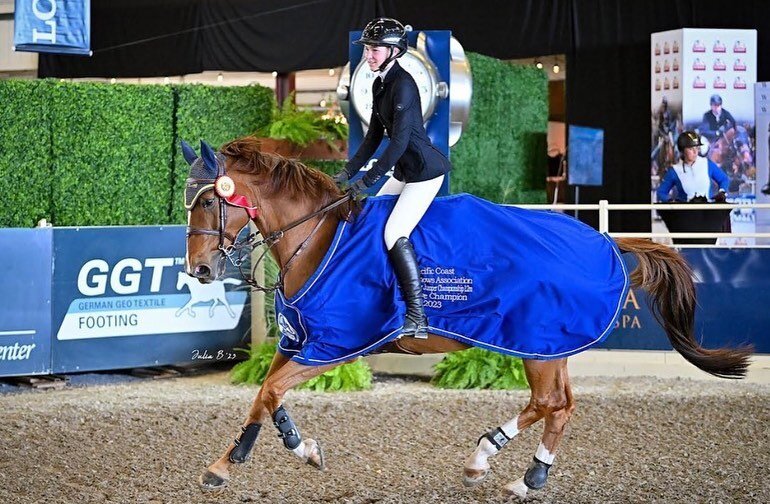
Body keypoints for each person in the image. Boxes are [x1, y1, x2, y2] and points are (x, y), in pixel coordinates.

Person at [333, 17, 452, 339]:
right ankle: (384, 299)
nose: (368, 55)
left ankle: (417, 316)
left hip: (424, 174)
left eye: (375, 50)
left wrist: (367, 180)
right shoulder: (379, 82)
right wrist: (347, 173)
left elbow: (398, 142)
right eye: (368, 49)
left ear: (394, 51)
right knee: (372, 220)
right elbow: (373, 136)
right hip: (404, 171)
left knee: (393, 232)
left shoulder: (403, 84)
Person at [656, 131, 729, 203]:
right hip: (686, 213)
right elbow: (661, 192)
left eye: (697, 148)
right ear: (682, 150)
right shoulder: (674, 170)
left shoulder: (707, 163)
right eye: (691, 149)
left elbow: (723, 179)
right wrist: (670, 201)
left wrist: (722, 192)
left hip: (707, 211)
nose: (695, 152)